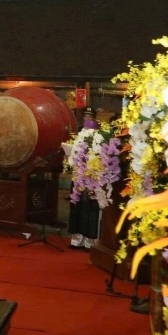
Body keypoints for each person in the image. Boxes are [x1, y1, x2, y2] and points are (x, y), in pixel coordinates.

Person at [69, 107, 102, 249]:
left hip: (91, 176)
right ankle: (76, 239)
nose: (87, 119)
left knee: (90, 207)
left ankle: (89, 241)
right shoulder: (79, 133)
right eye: (85, 116)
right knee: (77, 206)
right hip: (78, 175)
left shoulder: (99, 136)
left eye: (90, 117)